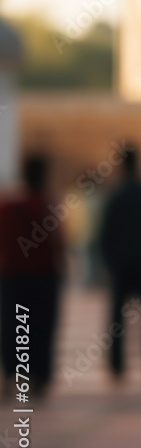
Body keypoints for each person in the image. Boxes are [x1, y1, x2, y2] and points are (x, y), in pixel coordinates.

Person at [97, 145, 141, 380]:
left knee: (117, 317)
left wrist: (109, 259)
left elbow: (105, 232)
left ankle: (117, 364)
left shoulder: (116, 196)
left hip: (122, 262)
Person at [0, 154, 65, 400]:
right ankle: (38, 375)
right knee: (42, 326)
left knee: (12, 324)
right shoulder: (47, 206)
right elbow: (57, 244)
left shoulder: (8, 208)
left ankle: (11, 373)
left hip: (12, 275)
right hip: (43, 275)